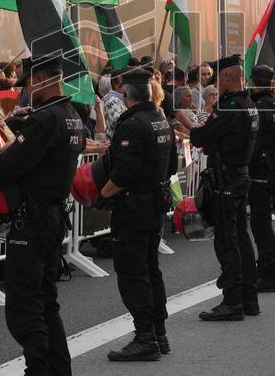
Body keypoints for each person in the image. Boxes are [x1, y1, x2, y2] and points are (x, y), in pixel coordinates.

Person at [0, 54, 85, 374]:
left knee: (25, 305)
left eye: (28, 84)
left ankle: (39, 369)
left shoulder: (46, 119)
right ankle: (57, 369)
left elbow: (8, 166)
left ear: (40, 80)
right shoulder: (71, 114)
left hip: (32, 220)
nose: (25, 91)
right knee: (46, 300)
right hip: (53, 217)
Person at [97, 68, 177, 361]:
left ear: (127, 94)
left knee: (133, 273)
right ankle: (158, 333)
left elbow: (124, 171)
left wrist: (101, 195)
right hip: (154, 205)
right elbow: (172, 167)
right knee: (150, 269)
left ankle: (145, 337)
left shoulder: (130, 125)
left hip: (133, 209)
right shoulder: (161, 120)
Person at [190, 55, 260, 321]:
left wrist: (197, 126)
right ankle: (248, 298)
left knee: (227, 240)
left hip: (227, 181)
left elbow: (200, 137)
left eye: (217, 79)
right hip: (240, 177)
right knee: (241, 237)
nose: (215, 85)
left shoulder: (230, 107)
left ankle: (232, 301)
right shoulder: (249, 104)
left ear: (228, 78)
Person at [247, 65, 275, 293]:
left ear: (255, 81)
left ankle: (268, 273)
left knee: (261, 224)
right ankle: (265, 268)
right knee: (261, 223)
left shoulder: (261, 106)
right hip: (273, 164)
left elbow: (254, 140)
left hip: (263, 167)